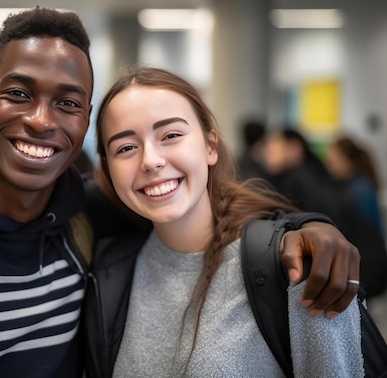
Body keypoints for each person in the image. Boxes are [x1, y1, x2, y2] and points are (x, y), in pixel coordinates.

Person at [0, 7, 360, 378]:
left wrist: (309, 226)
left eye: (69, 103)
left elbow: (203, 210)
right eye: (18, 93)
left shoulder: (89, 222)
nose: (40, 120)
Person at [89, 66, 363, 377]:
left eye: (171, 135)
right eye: (125, 148)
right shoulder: (111, 269)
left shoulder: (295, 263)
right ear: (107, 168)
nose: (150, 160)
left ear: (210, 146)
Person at [325, 135, 384, 236]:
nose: (329, 168)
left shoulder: (360, 189)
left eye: (332, 162)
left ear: (347, 161)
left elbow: (367, 229)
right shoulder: (353, 185)